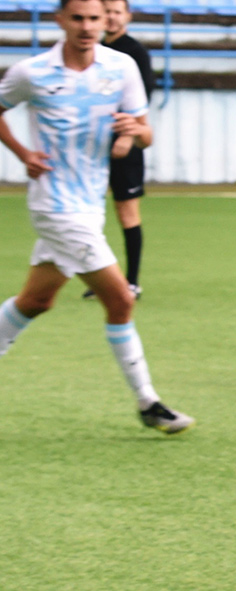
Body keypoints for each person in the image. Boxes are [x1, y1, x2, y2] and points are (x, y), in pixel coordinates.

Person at [0, 0, 193, 434]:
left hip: (89, 205)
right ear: (60, 21)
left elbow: (146, 133)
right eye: (78, 18)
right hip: (54, 206)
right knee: (121, 299)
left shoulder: (121, 67)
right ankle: (148, 403)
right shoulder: (32, 72)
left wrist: (132, 132)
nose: (87, 27)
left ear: (106, 21)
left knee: (35, 301)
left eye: (94, 19)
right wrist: (23, 153)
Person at [82, 0, 154, 300]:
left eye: (116, 12)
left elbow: (142, 101)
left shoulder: (134, 53)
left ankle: (132, 281)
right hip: (93, 145)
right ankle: (102, 280)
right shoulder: (92, 54)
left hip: (125, 144)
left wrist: (127, 138)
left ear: (127, 16)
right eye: (106, 12)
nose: (111, 18)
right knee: (89, 213)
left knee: (127, 213)